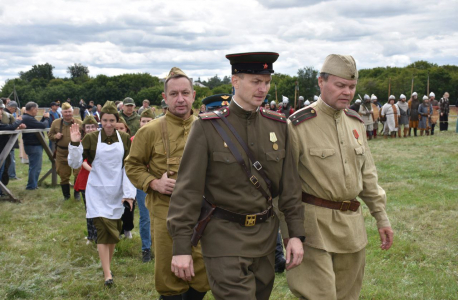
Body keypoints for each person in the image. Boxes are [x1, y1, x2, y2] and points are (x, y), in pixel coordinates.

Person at [166, 53, 305, 300]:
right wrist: (181, 248)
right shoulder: (207, 128)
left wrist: (293, 235)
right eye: (255, 81)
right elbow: (187, 191)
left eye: (267, 81)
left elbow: (290, 189)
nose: (263, 89)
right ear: (235, 81)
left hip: (265, 241)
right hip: (223, 238)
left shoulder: (279, 126)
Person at [286, 54, 393, 300]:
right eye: (340, 85)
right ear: (321, 82)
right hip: (313, 228)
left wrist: (382, 218)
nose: (347, 92)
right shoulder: (297, 125)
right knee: (318, 296)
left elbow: (368, 176)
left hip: (351, 229)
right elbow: (285, 186)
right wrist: (290, 233)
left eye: (352, 87)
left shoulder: (355, 123)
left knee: (348, 296)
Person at [125, 67, 209, 300]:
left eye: (185, 93)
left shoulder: (208, 127)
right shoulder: (149, 130)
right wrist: (153, 183)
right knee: (170, 275)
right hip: (166, 212)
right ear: (165, 98)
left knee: (202, 274)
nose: (180, 99)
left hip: (204, 213)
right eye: (173, 94)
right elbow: (132, 165)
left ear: (193, 95)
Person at [68, 101, 136, 287]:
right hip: (97, 190)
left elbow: (128, 167)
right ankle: (107, 274)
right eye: (104, 120)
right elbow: (74, 163)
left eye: (111, 120)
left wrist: (129, 193)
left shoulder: (123, 138)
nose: (107, 124)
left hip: (116, 190)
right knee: (102, 230)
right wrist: (75, 143)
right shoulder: (90, 138)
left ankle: (108, 268)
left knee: (113, 232)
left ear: (117, 120)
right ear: (101, 120)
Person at [131, 108, 156, 263]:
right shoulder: (134, 139)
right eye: (143, 121)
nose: (146, 123)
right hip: (143, 182)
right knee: (145, 217)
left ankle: (160, 246)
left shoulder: (160, 137)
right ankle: (146, 248)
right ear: (139, 122)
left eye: (149, 121)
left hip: (160, 181)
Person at [48, 102, 83, 200]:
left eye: (69, 112)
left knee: (78, 173)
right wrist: (56, 136)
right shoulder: (56, 123)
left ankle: (77, 193)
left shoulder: (79, 123)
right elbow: (50, 135)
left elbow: (86, 136)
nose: (68, 114)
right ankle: (66, 196)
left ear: (72, 112)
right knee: (63, 174)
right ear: (62, 113)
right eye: (65, 112)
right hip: (62, 152)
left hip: (76, 152)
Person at [73, 115, 99, 244]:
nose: (90, 129)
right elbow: (83, 161)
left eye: (92, 126)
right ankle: (91, 235)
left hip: (101, 180)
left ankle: (100, 235)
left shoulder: (103, 141)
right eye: (87, 127)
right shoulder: (82, 142)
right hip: (87, 179)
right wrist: (95, 171)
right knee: (89, 209)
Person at [22, 102, 50, 190]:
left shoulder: (26, 118)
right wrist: (46, 119)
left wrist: (43, 118)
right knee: (35, 167)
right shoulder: (28, 118)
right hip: (34, 145)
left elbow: (37, 125)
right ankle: (31, 186)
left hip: (31, 144)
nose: (37, 111)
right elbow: (42, 126)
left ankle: (33, 184)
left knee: (34, 166)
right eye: (37, 110)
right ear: (33, 109)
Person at [0, 102, 26, 195]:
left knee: (3, 169)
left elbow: (10, 127)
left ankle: (1, 191)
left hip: (3, 149)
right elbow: (9, 127)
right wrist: (19, 121)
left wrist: (18, 126)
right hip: (2, 149)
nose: (1, 114)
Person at [2, 100, 20, 180]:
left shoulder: (7, 115)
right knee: (6, 163)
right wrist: (18, 121)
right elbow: (11, 127)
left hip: (6, 142)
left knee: (6, 164)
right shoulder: (7, 115)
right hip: (5, 143)